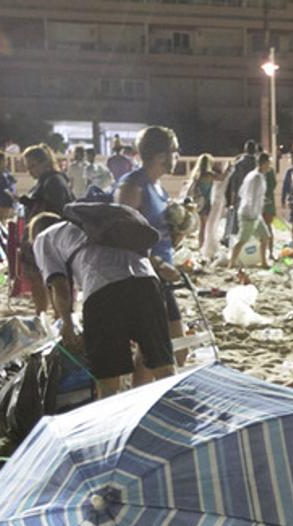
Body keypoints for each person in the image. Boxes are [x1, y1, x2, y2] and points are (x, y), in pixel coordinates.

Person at [29, 212, 173, 399]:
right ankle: (175, 418)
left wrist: (67, 324)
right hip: (148, 283)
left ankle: (110, 423)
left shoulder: (43, 238)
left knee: (108, 378)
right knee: (162, 367)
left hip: (104, 288)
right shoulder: (91, 225)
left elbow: (60, 287)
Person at [116, 126, 189, 362]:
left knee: (171, 350)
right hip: (142, 278)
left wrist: (181, 226)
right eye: (174, 151)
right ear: (160, 156)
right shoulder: (133, 185)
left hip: (160, 276)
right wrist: (157, 264)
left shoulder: (158, 187)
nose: (177, 156)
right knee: (158, 353)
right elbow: (122, 237)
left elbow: (163, 236)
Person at [19, 144, 74, 314]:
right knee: (47, 280)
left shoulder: (53, 181)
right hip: (45, 238)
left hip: (48, 239)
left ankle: (56, 317)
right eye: (28, 167)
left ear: (45, 163)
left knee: (51, 281)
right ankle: (47, 316)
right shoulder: (51, 180)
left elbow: (55, 211)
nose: (30, 171)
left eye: (33, 166)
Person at [229, 152, 272, 268]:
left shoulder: (254, 175)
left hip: (255, 214)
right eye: (269, 163)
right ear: (263, 163)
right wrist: (253, 213)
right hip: (249, 214)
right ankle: (231, 263)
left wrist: (262, 201)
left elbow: (243, 192)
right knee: (242, 240)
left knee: (265, 237)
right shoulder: (256, 177)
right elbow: (251, 197)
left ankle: (263, 262)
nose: (270, 165)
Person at [223, 139, 259, 246]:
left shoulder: (238, 164)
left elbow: (234, 183)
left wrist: (232, 199)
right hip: (254, 197)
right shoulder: (258, 164)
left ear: (245, 149)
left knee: (237, 222)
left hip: (240, 196)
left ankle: (235, 243)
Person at [186, 153, 217, 252]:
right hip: (206, 203)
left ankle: (201, 244)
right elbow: (222, 178)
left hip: (199, 203)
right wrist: (229, 169)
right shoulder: (209, 174)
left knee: (201, 226)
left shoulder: (197, 175)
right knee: (206, 226)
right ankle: (203, 245)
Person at [0, 151, 17, 224]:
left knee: (5, 215)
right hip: (3, 197)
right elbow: (3, 187)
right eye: (4, 160)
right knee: (2, 214)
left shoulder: (5, 171)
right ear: (0, 161)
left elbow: (12, 180)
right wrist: (12, 195)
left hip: (8, 197)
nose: (6, 162)